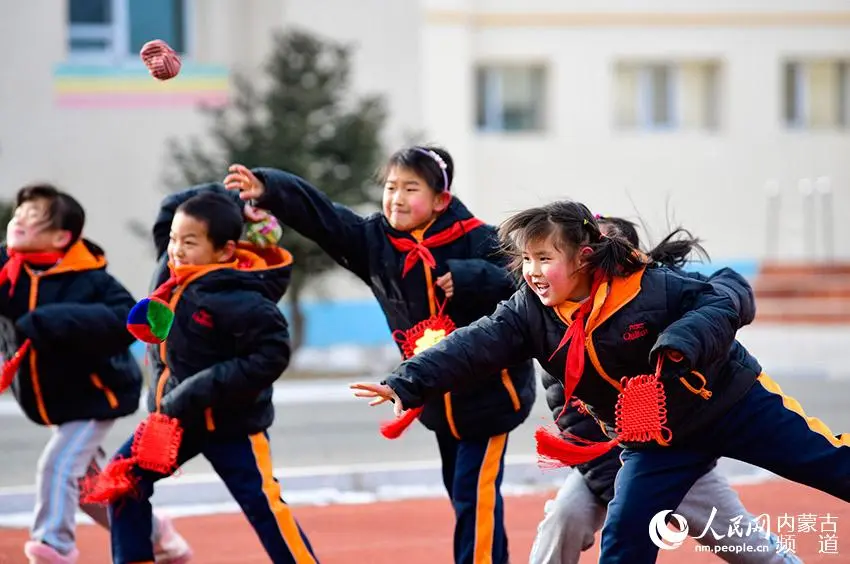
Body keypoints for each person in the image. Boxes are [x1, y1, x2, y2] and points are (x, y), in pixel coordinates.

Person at [351, 200, 850, 563]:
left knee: (832, 466)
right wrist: (407, 381)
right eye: (526, 260)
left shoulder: (646, 284)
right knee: (624, 542)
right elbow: (475, 342)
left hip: (734, 403)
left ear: (584, 257)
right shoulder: (528, 311)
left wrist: (682, 341)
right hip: (657, 441)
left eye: (545, 258)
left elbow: (728, 294)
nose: (533, 272)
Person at [223, 146, 536, 564]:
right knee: (465, 495)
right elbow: (325, 219)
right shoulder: (376, 242)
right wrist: (269, 188)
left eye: (411, 188)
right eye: (391, 187)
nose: (398, 198)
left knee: (472, 496)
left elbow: (523, 283)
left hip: (491, 396)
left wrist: (469, 277)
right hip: (436, 397)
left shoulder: (480, 238)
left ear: (442, 199)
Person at [528, 215, 801, 564]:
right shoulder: (561, 332)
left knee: (754, 551)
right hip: (608, 468)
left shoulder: (663, 301)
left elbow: (727, 291)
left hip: (680, 459)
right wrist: (634, 493)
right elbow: (573, 422)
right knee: (564, 517)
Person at [103, 189, 318, 564]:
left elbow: (271, 355)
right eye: (173, 239)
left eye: (189, 242)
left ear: (225, 250)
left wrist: (202, 388)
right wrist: (229, 196)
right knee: (123, 482)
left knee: (265, 507)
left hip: (231, 424)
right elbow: (170, 207)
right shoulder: (168, 273)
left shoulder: (242, 296)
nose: (176, 250)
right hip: (174, 421)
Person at [0, 184, 190, 564]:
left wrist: (52, 321)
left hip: (96, 396)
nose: (19, 220)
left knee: (57, 465)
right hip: (54, 401)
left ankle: (53, 543)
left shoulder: (90, 277)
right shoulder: (8, 270)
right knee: (91, 488)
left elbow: (125, 320)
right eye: (18, 214)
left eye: (33, 216)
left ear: (61, 236)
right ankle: (158, 534)